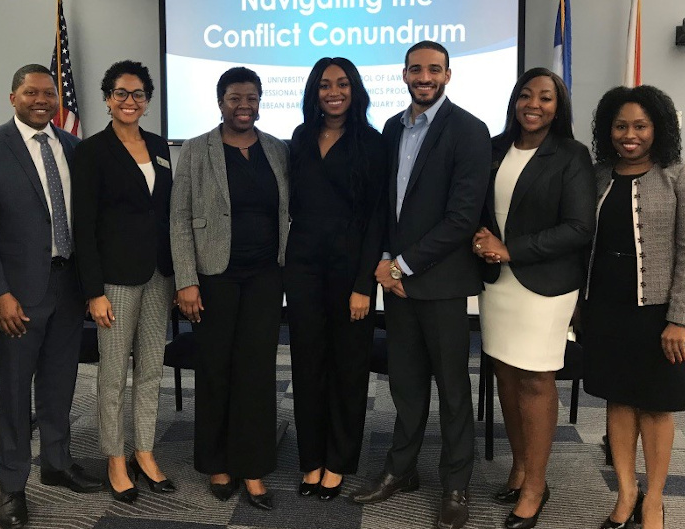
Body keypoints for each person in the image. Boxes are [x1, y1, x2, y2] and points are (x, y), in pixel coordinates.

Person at [349, 41, 490, 529]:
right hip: (399, 285)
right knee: (406, 386)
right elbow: (390, 206)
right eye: (416, 69)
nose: (424, 77)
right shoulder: (393, 128)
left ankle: (456, 485)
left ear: (448, 74)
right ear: (404, 73)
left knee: (453, 391)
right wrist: (388, 261)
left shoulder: (469, 130)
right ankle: (401, 470)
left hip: (441, 285)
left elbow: (461, 218)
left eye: (433, 69)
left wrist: (401, 267)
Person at [0, 64, 102, 529]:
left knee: (60, 384)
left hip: (68, 286)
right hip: (17, 294)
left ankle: (57, 463)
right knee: (14, 391)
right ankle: (12, 485)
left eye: (48, 93)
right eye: (30, 92)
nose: (41, 100)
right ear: (13, 97)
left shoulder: (73, 147)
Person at [471, 67, 595, 529]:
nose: (534, 105)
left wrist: (511, 249)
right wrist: (479, 238)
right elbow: (478, 207)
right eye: (526, 95)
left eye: (545, 97)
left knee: (536, 379)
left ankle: (537, 486)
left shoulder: (571, 155)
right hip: (497, 284)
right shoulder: (494, 148)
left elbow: (579, 227)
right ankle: (520, 468)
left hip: (546, 285)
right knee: (505, 373)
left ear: (558, 107)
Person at [584, 85, 685, 529]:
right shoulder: (598, 176)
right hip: (606, 308)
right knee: (618, 401)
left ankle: (653, 499)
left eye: (640, 126)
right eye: (620, 126)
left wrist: (680, 319)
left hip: (658, 316)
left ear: (659, 128)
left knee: (656, 406)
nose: (629, 135)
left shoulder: (681, 176)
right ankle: (626, 492)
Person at [170, 67, 289, 511]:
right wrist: (186, 279)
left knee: (256, 371)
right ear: (220, 101)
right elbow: (179, 217)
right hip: (213, 276)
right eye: (235, 98)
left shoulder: (276, 149)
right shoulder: (197, 148)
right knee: (215, 367)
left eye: (251, 98)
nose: (244, 106)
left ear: (260, 102)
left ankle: (253, 467)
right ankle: (218, 462)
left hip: (265, 276)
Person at [72, 60, 175, 503]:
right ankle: (115, 457)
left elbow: (166, 212)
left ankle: (144, 451)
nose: (129, 101)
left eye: (138, 94)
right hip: (115, 281)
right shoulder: (92, 151)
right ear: (108, 99)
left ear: (147, 100)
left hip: (159, 276)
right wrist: (93, 292)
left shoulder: (159, 146)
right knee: (113, 374)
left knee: (151, 369)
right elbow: (84, 226)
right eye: (121, 93)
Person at [284, 57, 386, 501]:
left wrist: (364, 284)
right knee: (307, 365)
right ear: (314, 92)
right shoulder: (300, 137)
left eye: (342, 84)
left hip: (351, 271)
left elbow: (376, 218)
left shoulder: (372, 142)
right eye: (325, 85)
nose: (334, 92)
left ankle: (338, 462)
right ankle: (311, 459)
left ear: (355, 90)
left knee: (348, 367)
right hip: (303, 268)